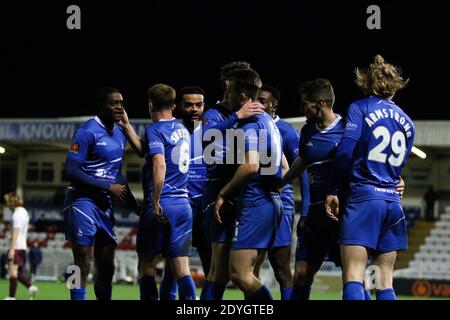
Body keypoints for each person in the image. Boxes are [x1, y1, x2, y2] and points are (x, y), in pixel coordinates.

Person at [282, 78, 406, 300]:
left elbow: (371, 160)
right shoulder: (307, 131)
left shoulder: (349, 128)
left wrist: (397, 178)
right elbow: (302, 162)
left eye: (305, 104)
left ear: (319, 103)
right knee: (301, 273)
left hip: (340, 214)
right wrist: (280, 181)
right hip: (315, 218)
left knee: (354, 278)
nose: (301, 109)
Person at [325, 55, 415, 300]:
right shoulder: (407, 122)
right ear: (395, 86)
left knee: (354, 274)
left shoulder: (360, 108)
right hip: (393, 206)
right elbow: (397, 170)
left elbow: (345, 152)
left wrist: (332, 190)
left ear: (366, 83)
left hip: (364, 200)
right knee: (384, 280)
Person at [214, 68, 287, 300]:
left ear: (243, 96)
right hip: (271, 200)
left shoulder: (250, 122)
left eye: (231, 93)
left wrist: (223, 193)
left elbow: (251, 165)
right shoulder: (270, 122)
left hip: (256, 201)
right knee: (251, 272)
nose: (228, 98)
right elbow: (284, 167)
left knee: (239, 273)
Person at [121, 83, 197, 300]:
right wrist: (126, 125)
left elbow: (159, 164)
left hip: (162, 204)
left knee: (147, 264)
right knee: (181, 268)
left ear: (151, 104)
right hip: (184, 205)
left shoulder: (155, 130)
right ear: (174, 105)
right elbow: (144, 151)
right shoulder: (183, 129)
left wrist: (154, 201)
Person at [200, 62, 265, 300]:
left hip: (242, 192)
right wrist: (238, 116)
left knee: (246, 270)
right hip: (218, 188)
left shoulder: (254, 116)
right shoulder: (213, 114)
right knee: (218, 269)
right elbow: (205, 139)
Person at [63, 87, 129, 300]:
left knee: (107, 267)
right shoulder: (86, 131)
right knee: (81, 261)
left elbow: (115, 172)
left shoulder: (120, 133)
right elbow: (71, 171)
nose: (119, 107)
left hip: (104, 205)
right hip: (81, 201)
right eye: (113, 103)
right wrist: (108, 186)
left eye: (121, 102)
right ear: (102, 106)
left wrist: (134, 204)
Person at [255, 84, 310, 300]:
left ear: (274, 106)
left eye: (263, 100)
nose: (258, 103)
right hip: (253, 202)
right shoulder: (248, 127)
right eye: (255, 99)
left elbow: (303, 171)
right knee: (247, 268)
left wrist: (304, 212)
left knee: (281, 268)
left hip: (280, 204)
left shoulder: (286, 131)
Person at [3, 192, 38, 300]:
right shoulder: (24, 212)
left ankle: (12, 296)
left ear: (12, 201)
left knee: (12, 272)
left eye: (8, 201)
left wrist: (12, 249)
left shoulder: (17, 214)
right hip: (21, 246)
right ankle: (30, 287)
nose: (7, 204)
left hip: (16, 246)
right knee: (14, 271)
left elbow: (16, 233)